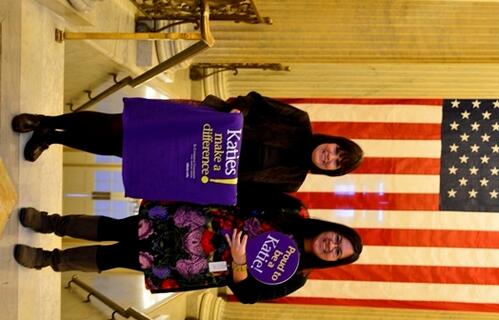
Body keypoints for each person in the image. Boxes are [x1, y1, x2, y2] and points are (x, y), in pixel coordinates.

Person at [13, 193, 362, 304]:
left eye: (337, 252)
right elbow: (241, 189)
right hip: (187, 220)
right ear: (334, 229)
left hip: (190, 264)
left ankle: (49, 259)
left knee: (115, 256)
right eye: (338, 239)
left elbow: (249, 295)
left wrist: (240, 263)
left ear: (331, 261)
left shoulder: (297, 276)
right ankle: (49, 223)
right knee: (115, 227)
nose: (331, 245)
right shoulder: (294, 211)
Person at [12, 91, 363, 192]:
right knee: (119, 126)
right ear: (332, 141)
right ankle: (46, 121)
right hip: (198, 124)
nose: (329, 156)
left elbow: (243, 192)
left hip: (193, 165)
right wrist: (238, 110)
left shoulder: (292, 181)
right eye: (336, 150)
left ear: (329, 171)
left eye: (335, 163)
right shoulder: (299, 121)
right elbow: (256, 101)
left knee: (122, 150)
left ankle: (52, 139)